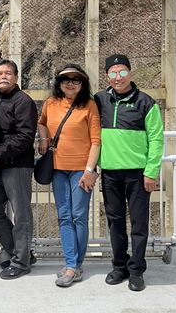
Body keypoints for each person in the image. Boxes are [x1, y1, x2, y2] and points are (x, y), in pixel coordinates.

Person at [95, 54, 164, 292]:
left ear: (130, 73)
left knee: (138, 223)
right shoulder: (99, 100)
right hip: (110, 173)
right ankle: (120, 266)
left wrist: (151, 172)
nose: (118, 77)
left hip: (137, 173)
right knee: (115, 222)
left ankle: (137, 270)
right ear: (106, 76)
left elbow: (156, 139)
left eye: (122, 72)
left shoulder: (147, 103)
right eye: (113, 73)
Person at [37, 64, 101, 287]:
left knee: (78, 216)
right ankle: (73, 263)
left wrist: (89, 171)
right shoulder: (51, 103)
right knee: (64, 215)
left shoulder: (89, 106)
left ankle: (74, 265)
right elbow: (41, 123)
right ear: (59, 83)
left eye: (76, 79)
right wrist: (44, 140)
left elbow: (96, 141)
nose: (70, 83)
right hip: (58, 168)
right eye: (66, 79)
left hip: (81, 170)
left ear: (82, 84)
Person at [0, 58, 38, 280]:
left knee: (22, 213)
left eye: (8, 73)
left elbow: (26, 137)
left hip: (17, 165)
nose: (3, 76)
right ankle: (20, 252)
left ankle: (22, 263)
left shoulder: (24, 102)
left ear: (16, 77)